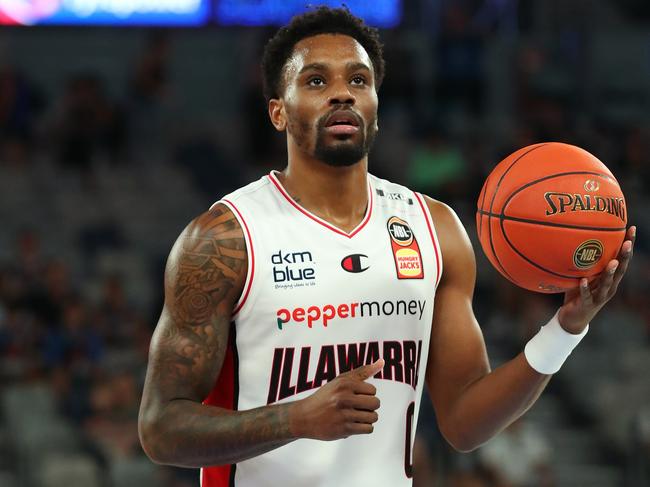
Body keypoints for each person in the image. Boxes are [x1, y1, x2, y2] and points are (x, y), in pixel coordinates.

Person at [137, 7, 635, 486]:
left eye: (358, 80)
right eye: (316, 81)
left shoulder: (434, 228)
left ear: (376, 104)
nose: (342, 95)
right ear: (278, 112)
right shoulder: (224, 239)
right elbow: (160, 430)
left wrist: (566, 330)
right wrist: (294, 419)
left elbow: (464, 424)